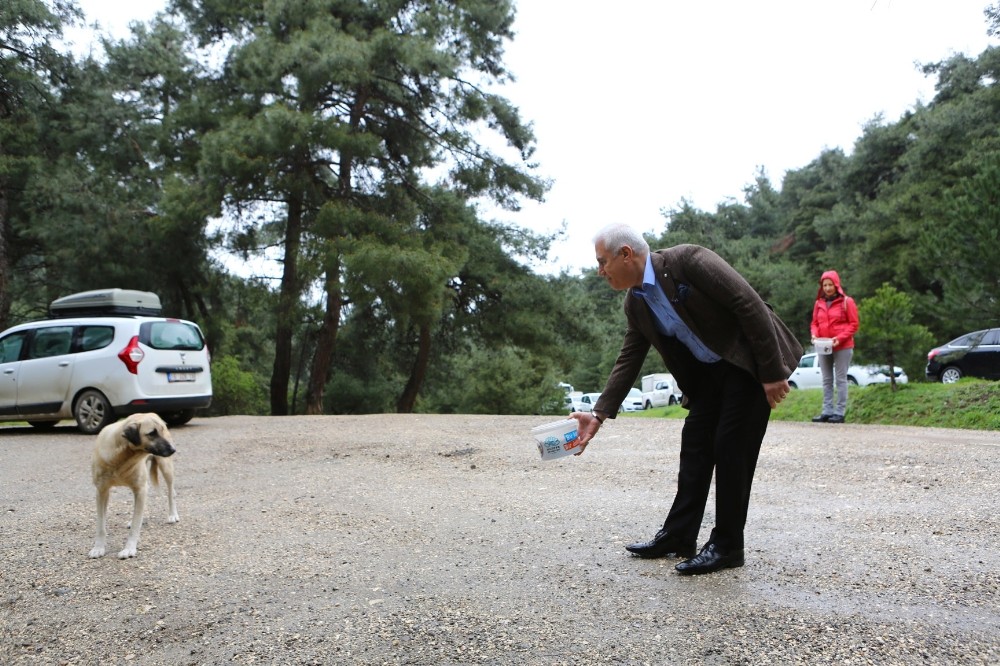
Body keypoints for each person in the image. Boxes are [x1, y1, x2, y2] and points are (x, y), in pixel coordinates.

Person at [570, 224, 802, 576]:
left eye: (603, 262)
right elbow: (630, 356)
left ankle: (727, 546)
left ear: (626, 254)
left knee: (730, 449)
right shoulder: (636, 302)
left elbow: (749, 304)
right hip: (708, 376)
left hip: (747, 363)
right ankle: (679, 535)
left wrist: (772, 373)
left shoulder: (688, 261)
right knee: (694, 444)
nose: (600, 270)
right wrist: (599, 414)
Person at [809, 271, 860, 424]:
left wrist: (840, 338)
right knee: (826, 379)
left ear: (836, 285)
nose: (828, 288)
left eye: (830, 285)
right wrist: (814, 335)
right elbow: (814, 323)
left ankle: (839, 412)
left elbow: (854, 324)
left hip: (842, 345)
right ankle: (827, 411)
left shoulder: (847, 302)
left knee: (841, 379)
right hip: (823, 345)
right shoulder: (819, 303)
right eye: (825, 285)